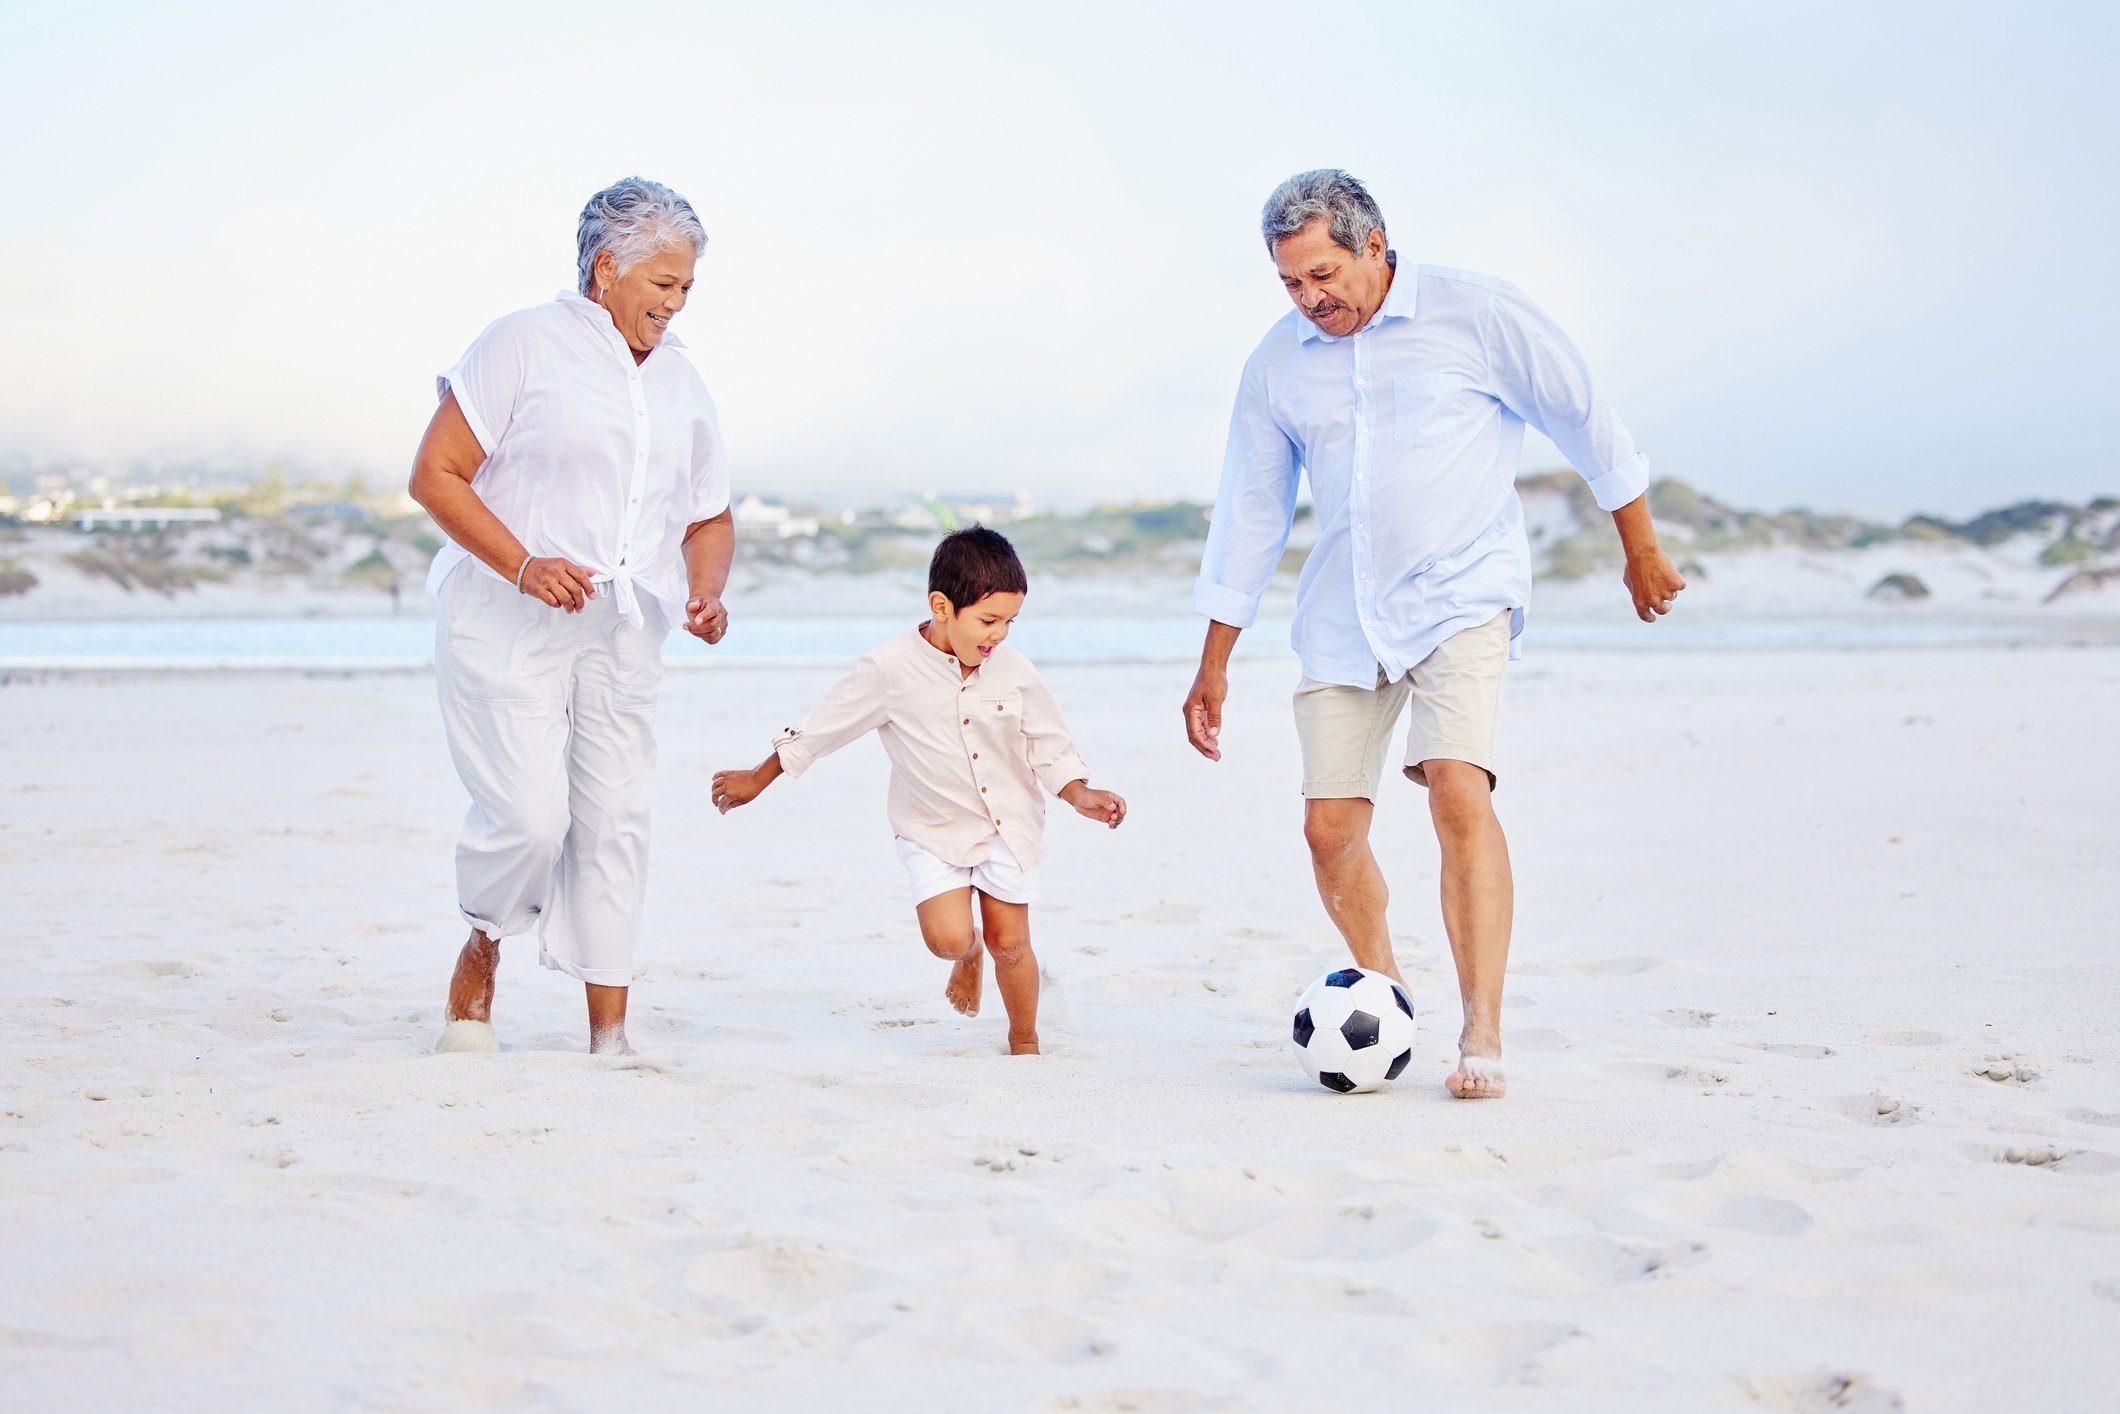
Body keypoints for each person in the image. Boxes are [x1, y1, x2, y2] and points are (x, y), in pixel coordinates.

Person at [1182, 169, 1686, 1099]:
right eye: (1291, 283)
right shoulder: (1278, 362)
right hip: (1343, 612)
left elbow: (1586, 418)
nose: (1310, 298)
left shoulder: (1478, 315)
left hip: (1463, 594)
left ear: (1375, 246)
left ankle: (1483, 1029)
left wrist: (1640, 547)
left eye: (1325, 274)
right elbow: (1250, 510)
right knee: (1329, 830)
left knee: (1457, 788)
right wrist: (1214, 659)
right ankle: (1391, 993)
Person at [407, 177, 736, 1055]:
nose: (674, 305)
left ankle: (610, 1036)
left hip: (625, 629)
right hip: (505, 617)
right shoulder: (521, 344)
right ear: (606, 270)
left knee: (617, 819)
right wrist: (521, 563)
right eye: (662, 285)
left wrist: (707, 589)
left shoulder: (681, 383)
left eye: (686, 289)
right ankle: (484, 939)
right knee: (526, 817)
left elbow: (708, 513)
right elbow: (435, 473)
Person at [710, 527, 1126, 1055]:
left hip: (1007, 824)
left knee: (1012, 941)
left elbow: (1047, 741)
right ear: (942, 606)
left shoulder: (1014, 669)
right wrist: (758, 777)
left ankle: (1025, 1042)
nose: (999, 635)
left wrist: (1077, 792)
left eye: (1010, 623)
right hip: (931, 829)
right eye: (989, 620)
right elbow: (824, 728)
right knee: (947, 939)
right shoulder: (889, 668)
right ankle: (967, 956)